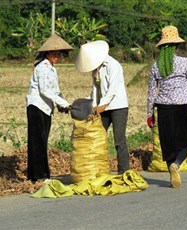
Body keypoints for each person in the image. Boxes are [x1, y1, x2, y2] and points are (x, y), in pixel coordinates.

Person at [147, 25, 187, 188]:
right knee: (185, 142)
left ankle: (171, 169)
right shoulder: (185, 62)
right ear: (176, 45)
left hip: (163, 108)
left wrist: (149, 114)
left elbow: (151, 93)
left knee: (167, 142)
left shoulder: (156, 66)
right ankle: (177, 164)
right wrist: (185, 95)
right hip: (182, 106)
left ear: (161, 47)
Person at [75, 40, 129, 174]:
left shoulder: (113, 65)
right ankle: (97, 168)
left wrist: (102, 105)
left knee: (119, 140)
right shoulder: (95, 70)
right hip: (102, 107)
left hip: (118, 106)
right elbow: (95, 90)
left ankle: (124, 171)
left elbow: (113, 89)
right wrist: (92, 105)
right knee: (98, 137)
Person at [26, 33, 73, 182]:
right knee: (38, 141)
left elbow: (56, 90)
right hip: (37, 106)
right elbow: (45, 90)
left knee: (42, 141)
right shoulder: (43, 67)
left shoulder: (52, 68)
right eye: (54, 53)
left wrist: (62, 102)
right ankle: (39, 175)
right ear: (47, 53)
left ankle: (39, 174)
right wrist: (61, 102)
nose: (57, 56)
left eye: (59, 54)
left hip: (45, 107)